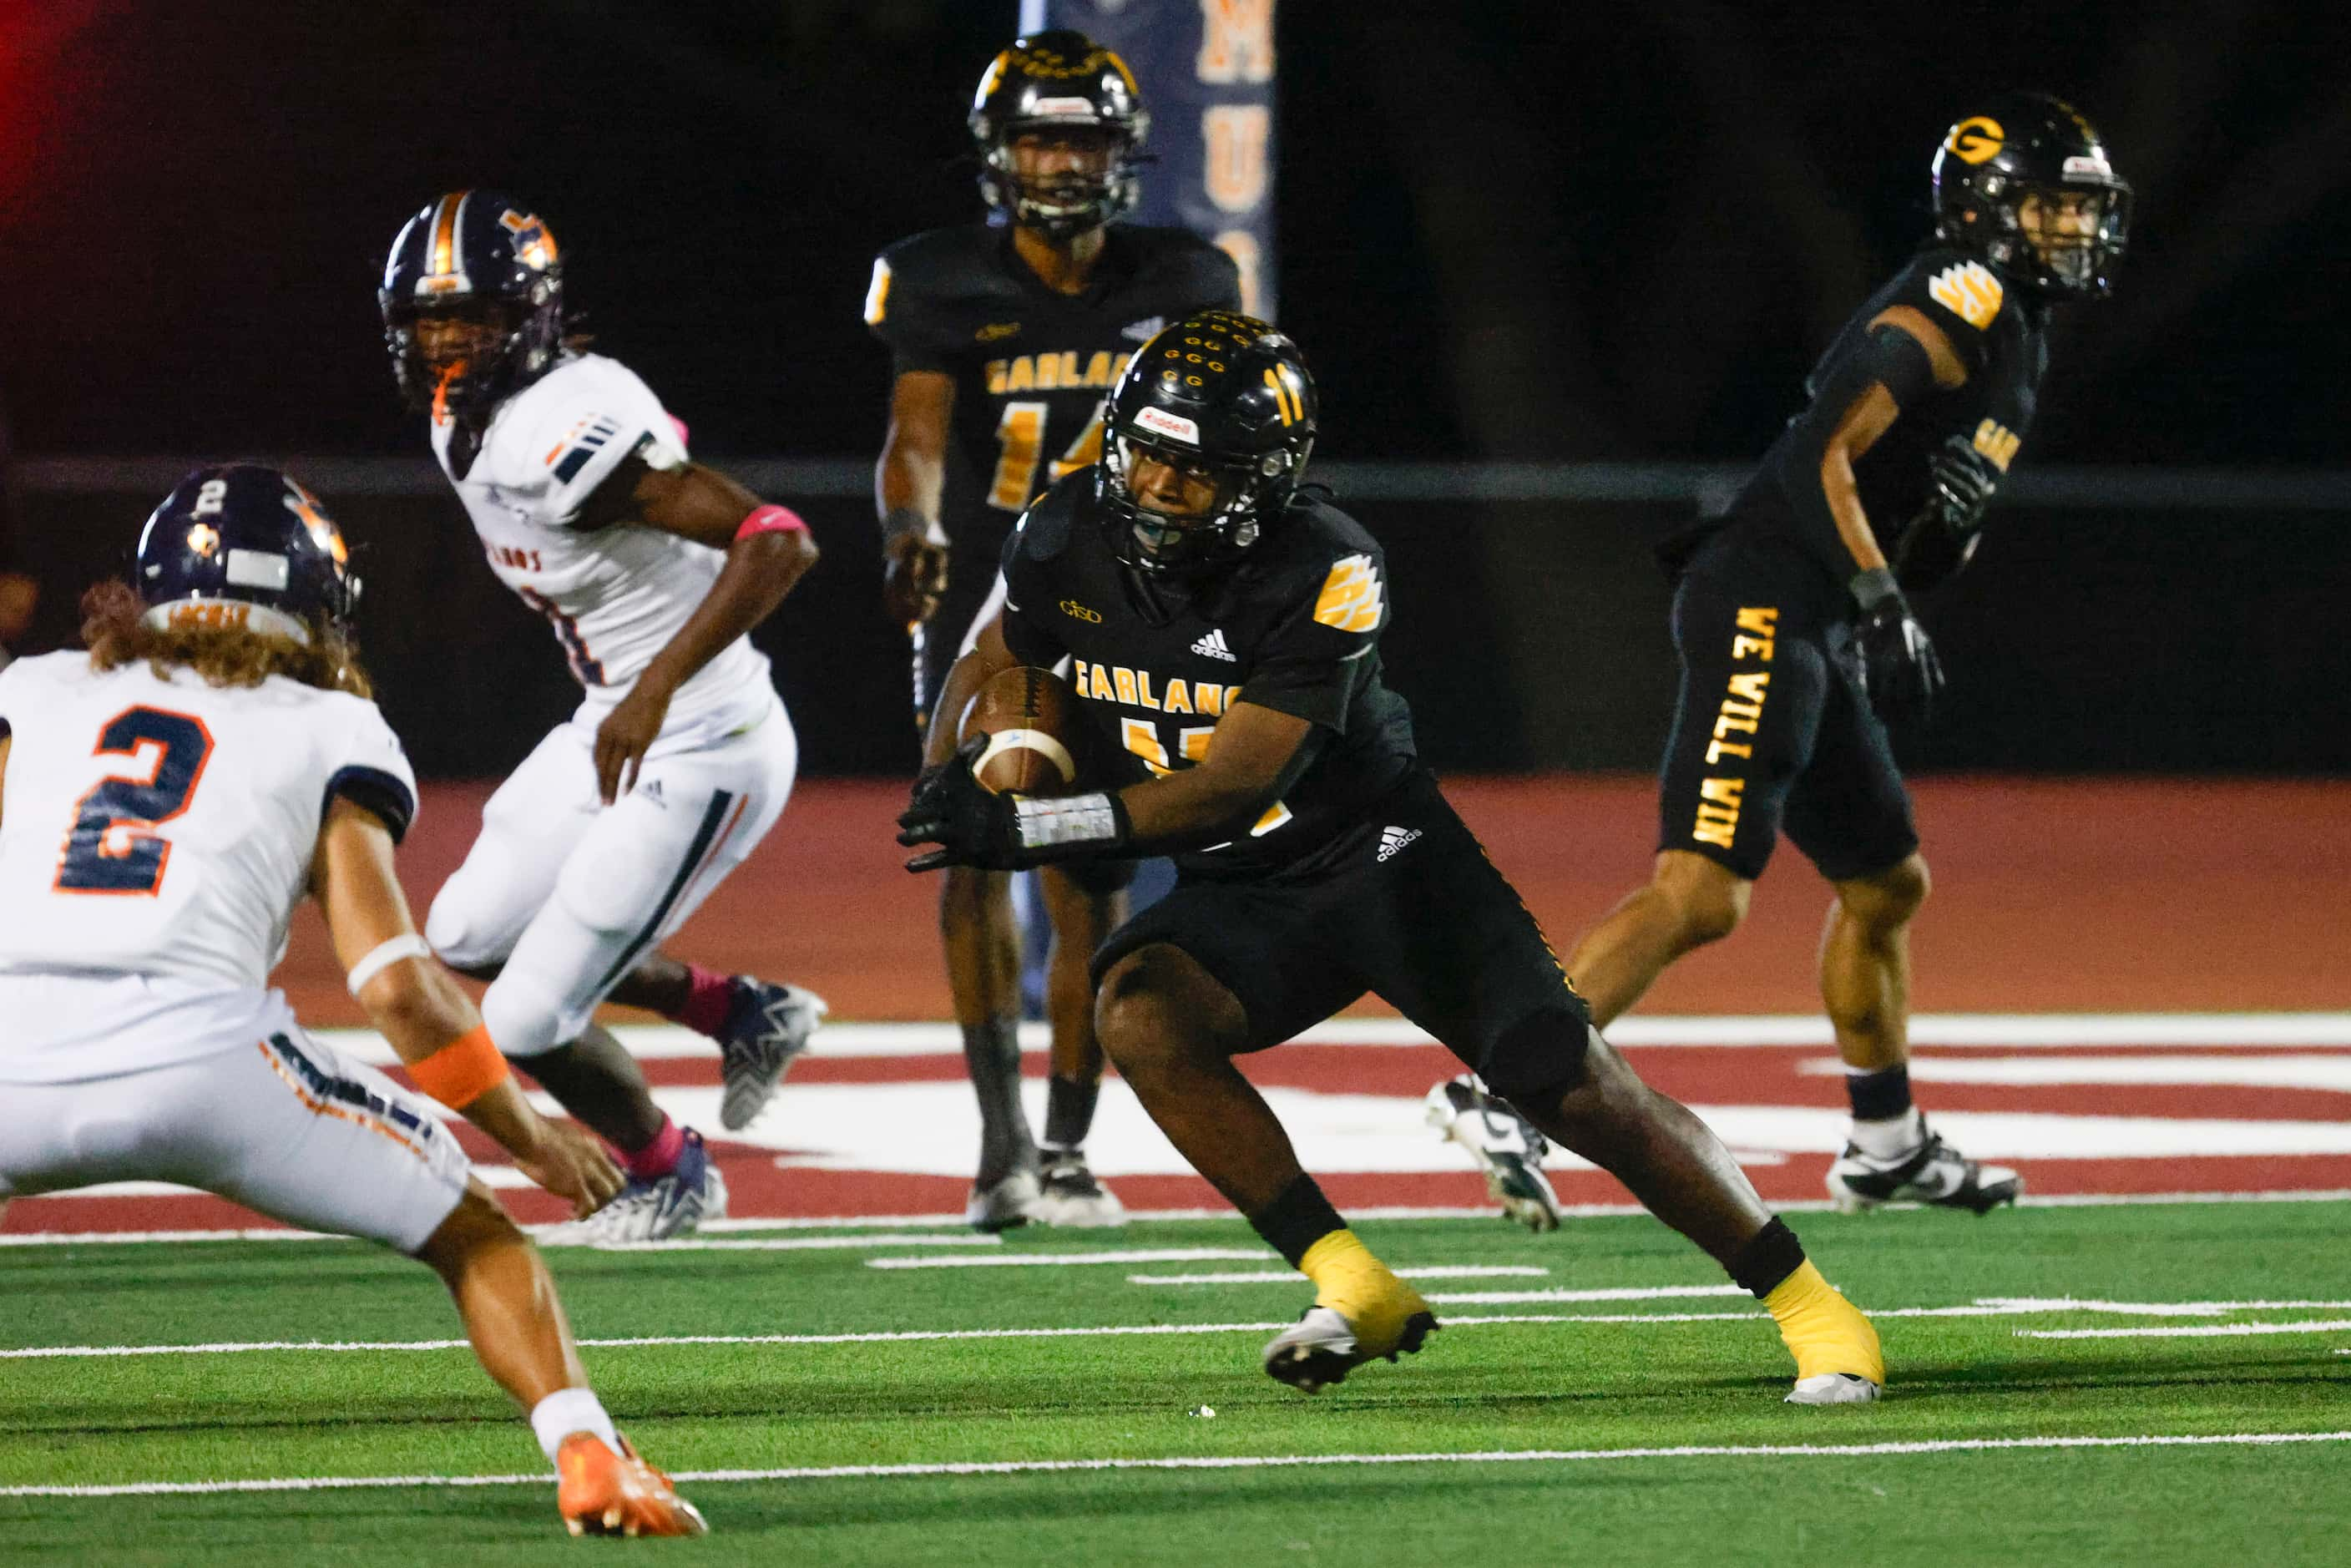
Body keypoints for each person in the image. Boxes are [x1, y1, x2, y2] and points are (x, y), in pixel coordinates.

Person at [900, 312, 1883, 1404]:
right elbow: (1003, 655)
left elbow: (1240, 780)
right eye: (1145, 454)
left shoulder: (1327, 560)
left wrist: (1036, 826)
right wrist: (957, 773)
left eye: (1192, 472)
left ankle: (1813, 1307)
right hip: (1244, 885)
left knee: (1575, 1089)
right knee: (1138, 1006)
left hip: (1385, 861)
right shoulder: (1064, 530)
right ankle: (1352, 1280)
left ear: (1262, 477)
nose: (1156, 488)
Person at [0, 467, 703, 1535]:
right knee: (474, 1232)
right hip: (206, 1057)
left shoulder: (34, 690)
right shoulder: (333, 724)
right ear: (314, 604)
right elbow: (399, 988)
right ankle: (590, 1456)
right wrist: (530, 1135)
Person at [1480, 94, 2128, 1215]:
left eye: (2082, 211)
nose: (2074, 231)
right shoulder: (1956, 298)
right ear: (1985, 208)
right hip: (1770, 601)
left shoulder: (2018, 319)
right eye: (2050, 207)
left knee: (1885, 883)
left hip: (1814, 618)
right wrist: (1879, 596)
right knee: (1702, 894)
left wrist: (1893, 583)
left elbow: (1916, 508)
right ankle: (1504, 1082)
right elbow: (1825, 451)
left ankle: (1886, 1144)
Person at [380, 190, 827, 1242]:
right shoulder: (462, 412)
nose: (447, 341)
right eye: (427, 319)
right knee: (465, 932)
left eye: (473, 317)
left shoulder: (561, 426)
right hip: (613, 720)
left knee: (528, 1019)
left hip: (706, 738)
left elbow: (778, 538)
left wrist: (658, 686)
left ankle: (671, 1173)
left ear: (529, 315)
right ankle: (736, 1010)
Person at [867, 30, 1243, 1229]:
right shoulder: (941, 282)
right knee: (970, 840)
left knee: (1093, 869)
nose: (1059, 163)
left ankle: (1071, 1147)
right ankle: (1000, 1146)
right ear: (998, 152)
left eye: (1079, 138)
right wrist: (909, 528)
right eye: (1038, 137)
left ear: (1121, 155)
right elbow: (917, 436)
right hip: (987, 595)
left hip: (1127, 603)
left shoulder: (1186, 282)